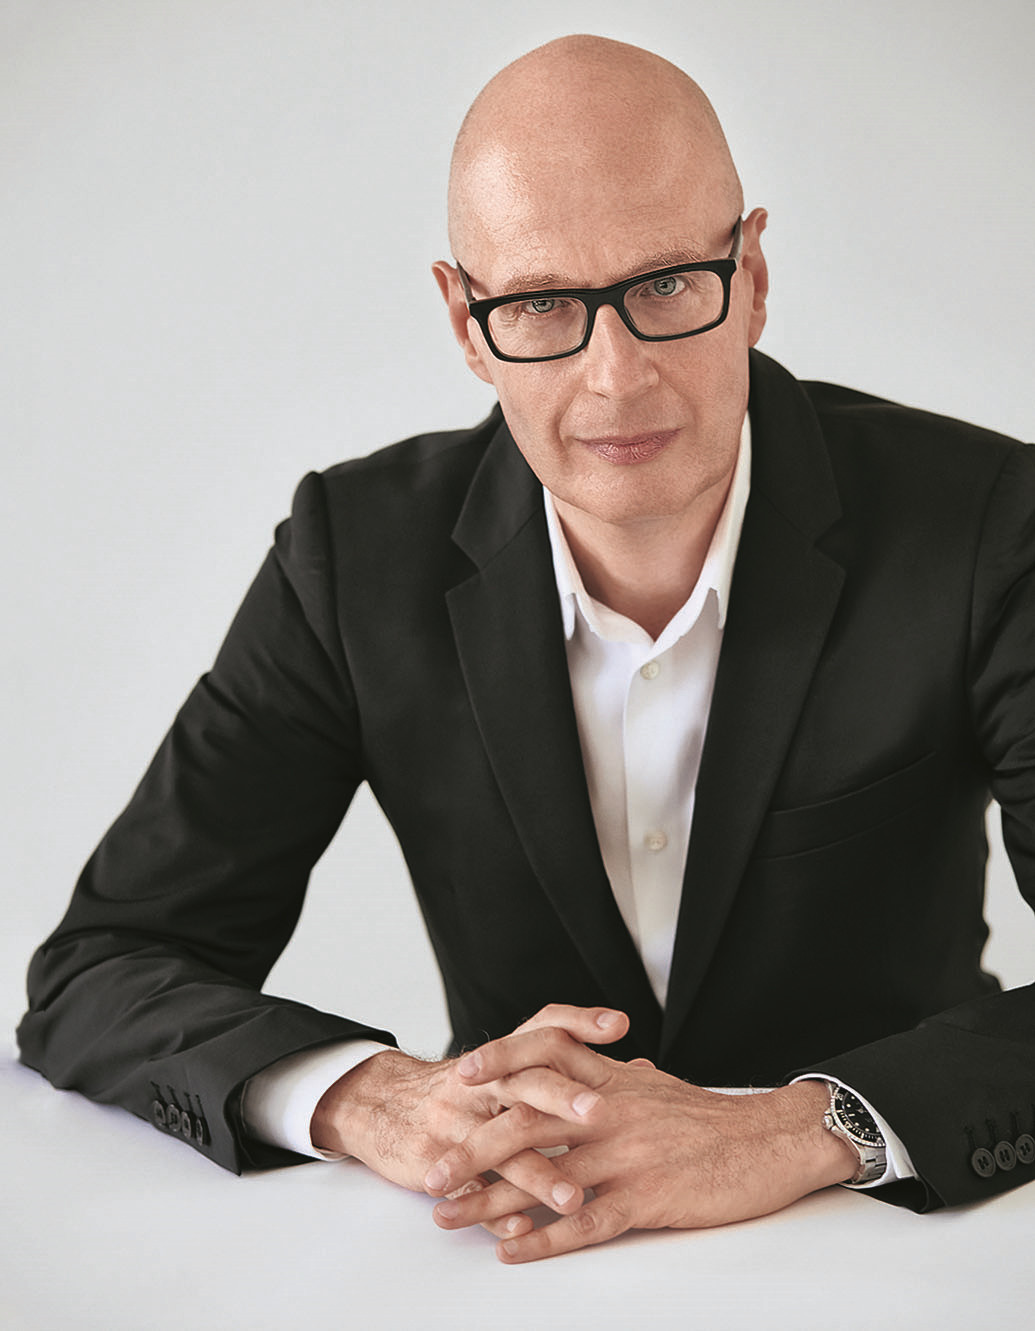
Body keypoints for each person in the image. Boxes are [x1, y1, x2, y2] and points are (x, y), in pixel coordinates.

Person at [17, 34, 1035, 1264]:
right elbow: (105, 964)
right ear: (467, 320)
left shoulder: (990, 525)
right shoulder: (351, 557)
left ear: (753, 274)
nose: (616, 376)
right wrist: (371, 1095)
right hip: (511, 1265)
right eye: (544, 303)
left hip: (903, 1253)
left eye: (668, 284)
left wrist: (806, 1128)